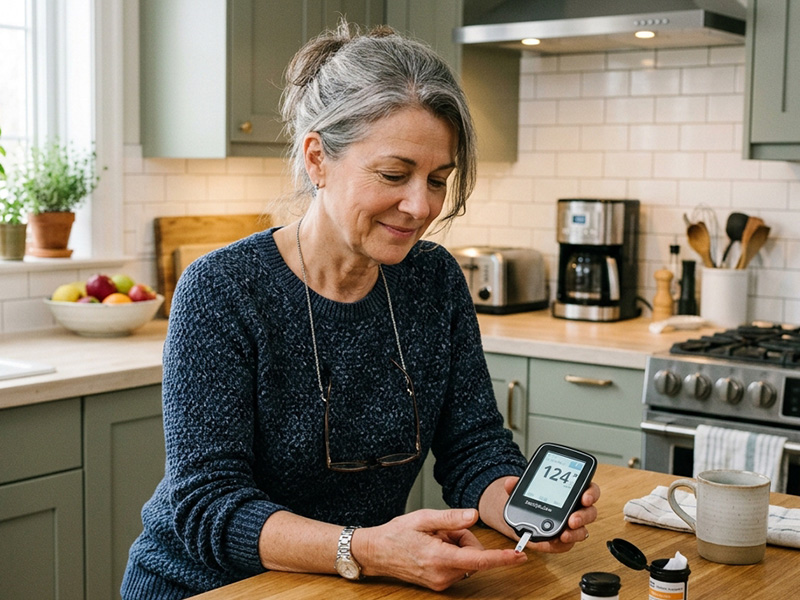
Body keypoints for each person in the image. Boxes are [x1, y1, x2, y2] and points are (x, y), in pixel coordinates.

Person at [121, 22, 599, 599]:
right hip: (210, 587)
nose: (420, 206)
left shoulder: (435, 281)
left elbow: (473, 446)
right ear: (318, 158)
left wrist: (516, 508)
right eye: (394, 175)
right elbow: (209, 505)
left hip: (352, 586)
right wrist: (366, 549)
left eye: (438, 180)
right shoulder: (223, 289)